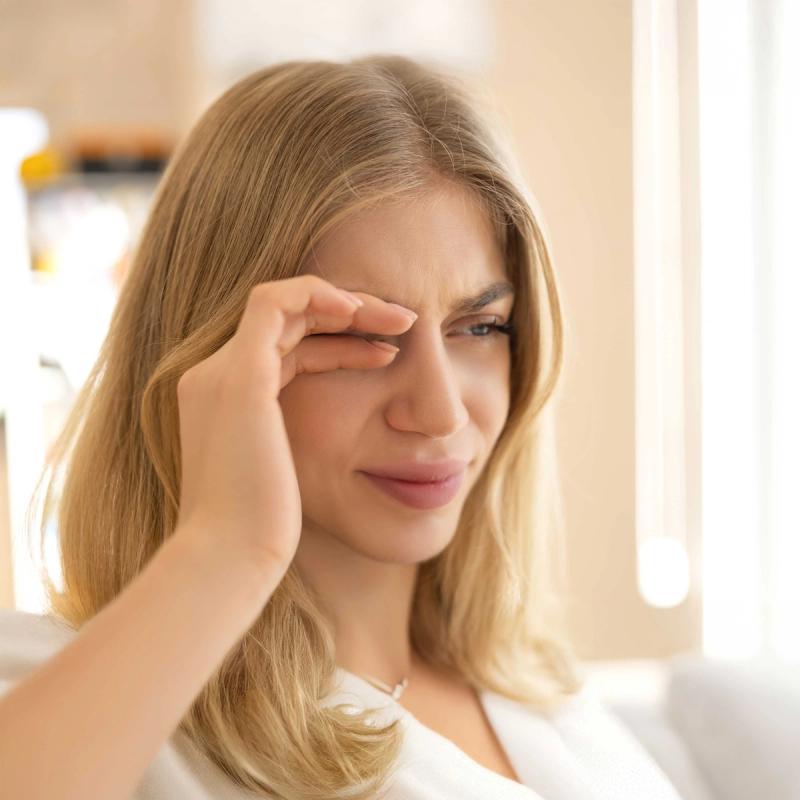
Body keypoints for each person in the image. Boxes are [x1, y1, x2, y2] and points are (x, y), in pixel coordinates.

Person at [0, 54, 683, 799]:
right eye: (359, 337)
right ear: (216, 360)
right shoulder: (76, 698)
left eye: (481, 327)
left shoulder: (545, 697)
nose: (440, 410)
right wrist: (224, 553)